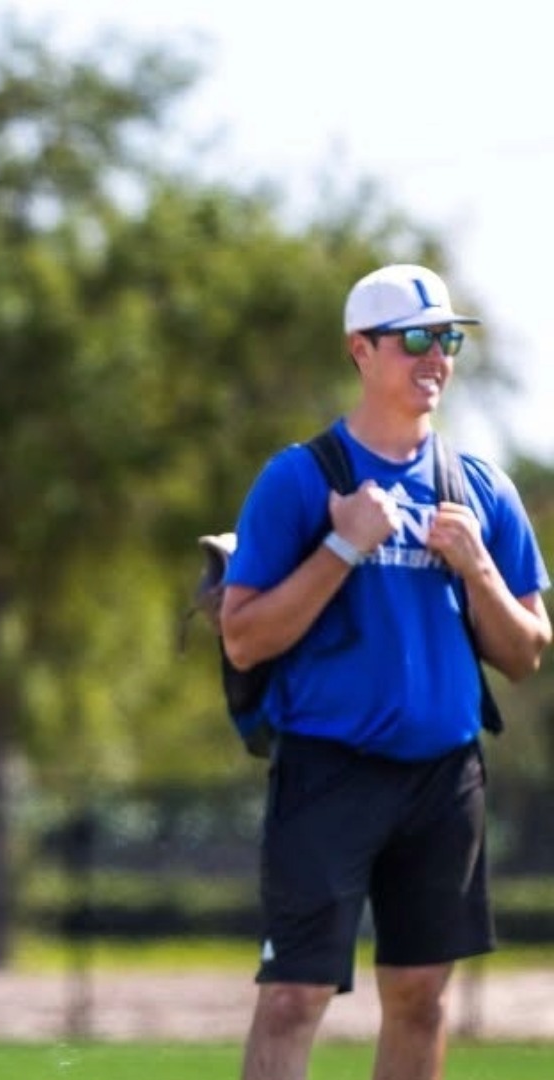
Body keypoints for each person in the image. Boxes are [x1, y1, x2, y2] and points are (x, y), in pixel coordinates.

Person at [220, 263, 551, 1080]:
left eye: (447, 341)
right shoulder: (301, 479)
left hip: (444, 780)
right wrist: (343, 546)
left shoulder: (479, 490)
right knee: (294, 996)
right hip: (329, 772)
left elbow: (525, 651)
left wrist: (476, 567)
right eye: (415, 340)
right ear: (360, 351)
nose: (435, 358)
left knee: (420, 995)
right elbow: (242, 638)